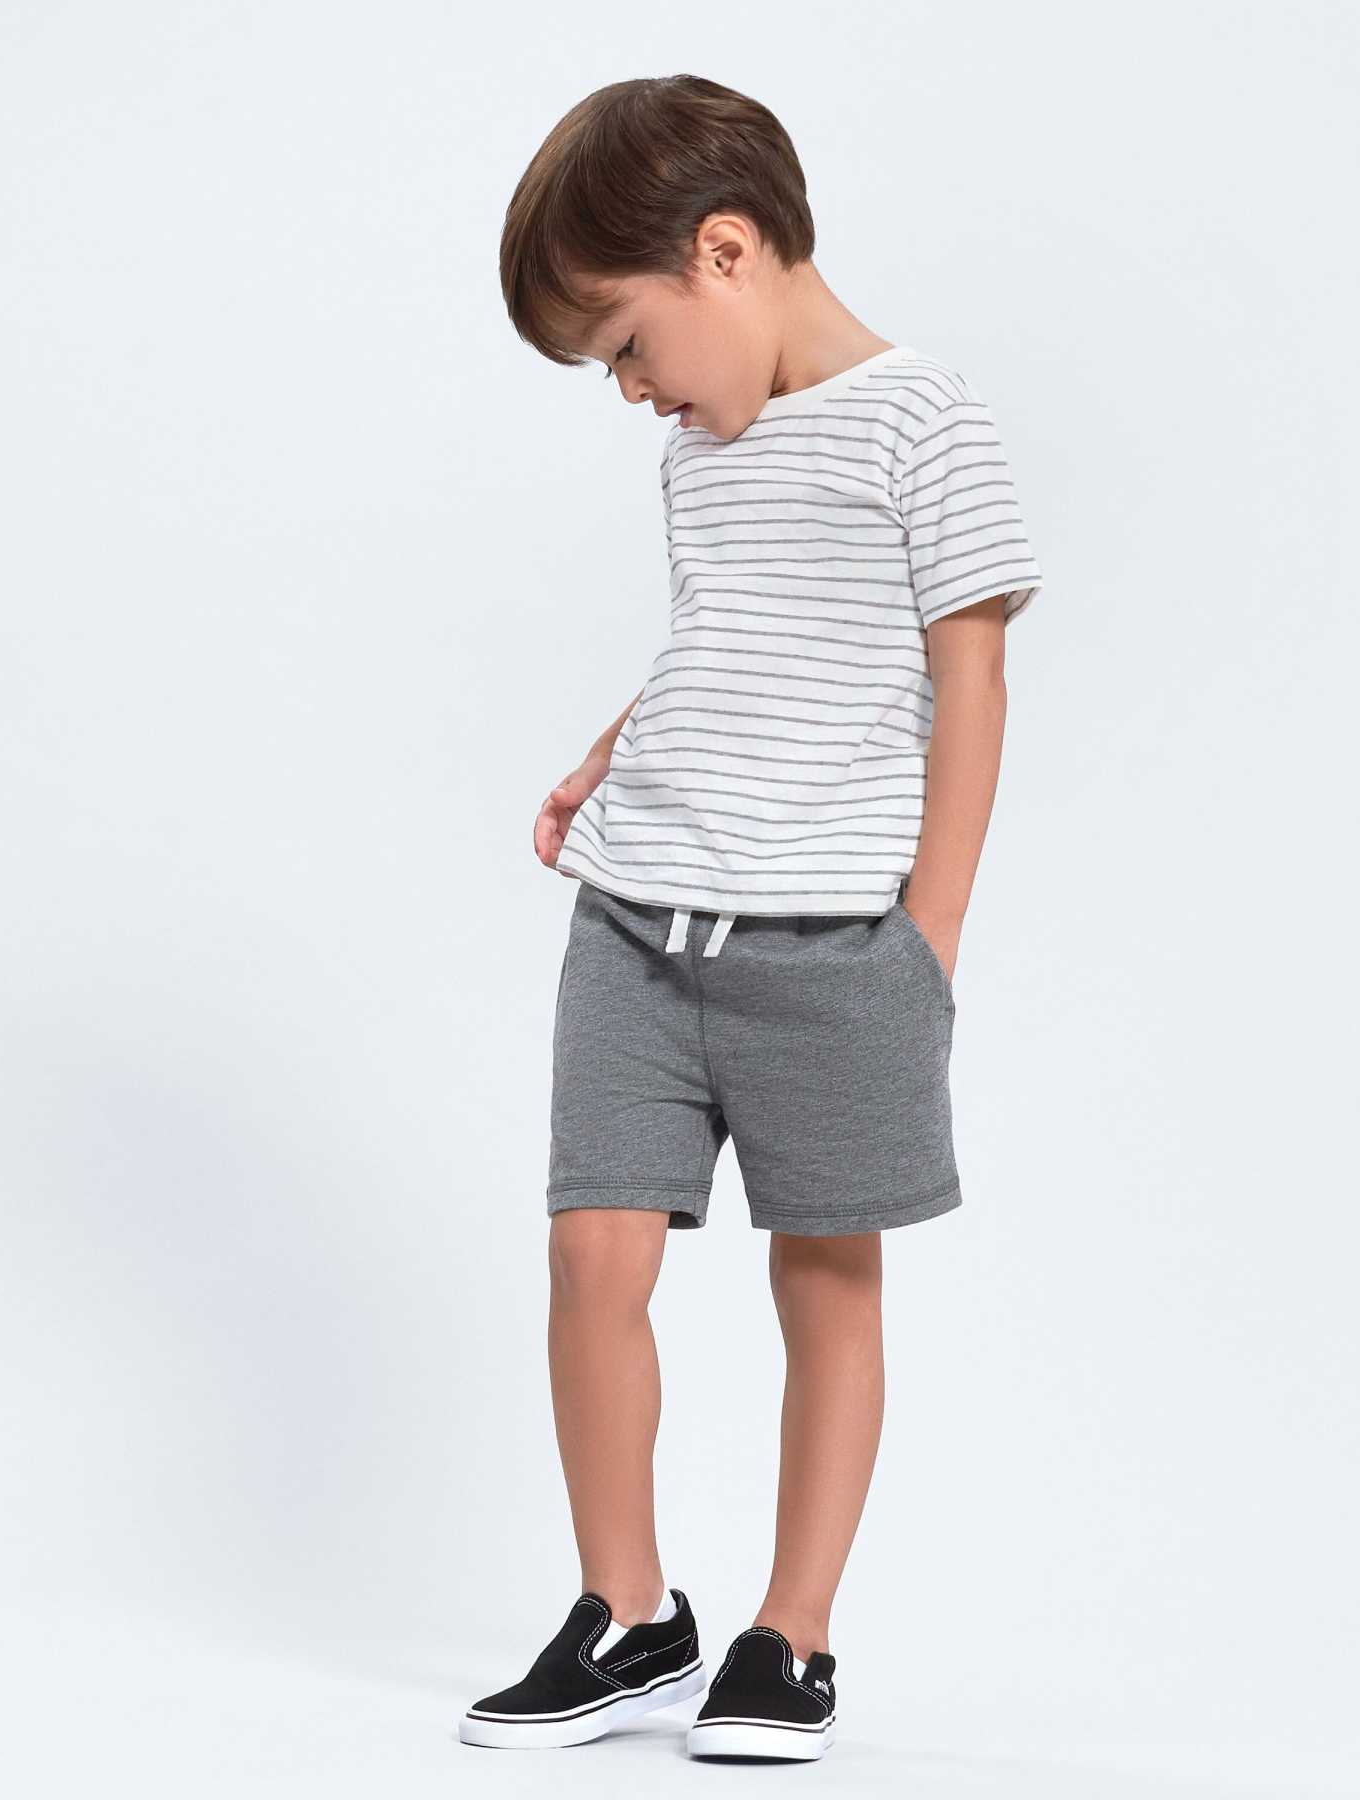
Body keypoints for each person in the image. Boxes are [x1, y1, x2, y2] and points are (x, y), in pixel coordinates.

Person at [459, 73, 1044, 1762]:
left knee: (829, 1277)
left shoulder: (924, 421)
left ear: (723, 252)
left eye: (627, 345)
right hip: (640, 919)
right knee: (590, 1251)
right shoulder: (698, 458)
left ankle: (793, 1638)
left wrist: (929, 942)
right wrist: (607, 752)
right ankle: (630, 1613)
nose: (633, 390)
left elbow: (971, 681)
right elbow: (725, 642)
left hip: (834, 949)